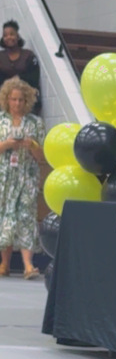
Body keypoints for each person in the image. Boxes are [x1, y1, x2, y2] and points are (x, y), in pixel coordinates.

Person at [0, 76, 45, 278]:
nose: (17, 103)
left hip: (27, 176)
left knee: (26, 216)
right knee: (5, 216)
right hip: (4, 177)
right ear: (6, 99)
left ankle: (28, 265)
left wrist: (32, 145)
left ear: (26, 101)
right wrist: (6, 144)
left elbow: (41, 156)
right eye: (13, 99)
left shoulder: (36, 123)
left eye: (21, 100)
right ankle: (5, 264)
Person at [0, 20, 41, 113]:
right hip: (3, 98)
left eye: (11, 34)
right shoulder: (1, 57)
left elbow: (34, 78)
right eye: (5, 35)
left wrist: (18, 78)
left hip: (25, 97)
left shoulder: (28, 55)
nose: (8, 37)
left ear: (17, 36)